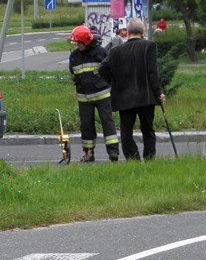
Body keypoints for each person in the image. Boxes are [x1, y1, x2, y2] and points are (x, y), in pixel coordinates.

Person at [99, 18, 165, 161]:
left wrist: (114, 82)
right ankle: (149, 159)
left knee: (126, 131)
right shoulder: (149, 46)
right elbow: (153, 72)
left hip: (124, 97)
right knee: (148, 129)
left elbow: (102, 68)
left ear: (127, 32)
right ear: (143, 31)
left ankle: (133, 159)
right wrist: (158, 92)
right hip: (146, 96)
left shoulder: (115, 51)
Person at [68, 25, 120, 162]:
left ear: (85, 41)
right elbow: (73, 73)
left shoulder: (101, 52)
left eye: (78, 43)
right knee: (86, 126)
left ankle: (113, 153)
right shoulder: (74, 56)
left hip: (102, 95)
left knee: (107, 123)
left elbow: (111, 70)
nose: (76, 45)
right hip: (84, 98)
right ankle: (88, 153)